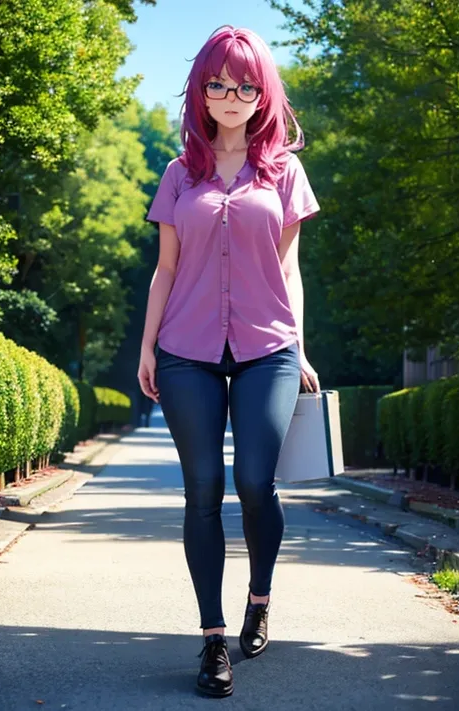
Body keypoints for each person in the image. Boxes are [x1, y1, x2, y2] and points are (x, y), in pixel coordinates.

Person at [137, 25, 321, 698]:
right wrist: (148, 347)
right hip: (186, 350)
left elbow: (290, 268)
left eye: (245, 85)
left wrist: (299, 346)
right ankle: (213, 638)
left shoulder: (284, 172)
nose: (231, 96)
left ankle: (260, 597)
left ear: (262, 91)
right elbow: (165, 269)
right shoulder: (179, 173)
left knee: (253, 479)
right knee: (203, 488)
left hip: (266, 349)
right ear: (202, 90)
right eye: (218, 83)